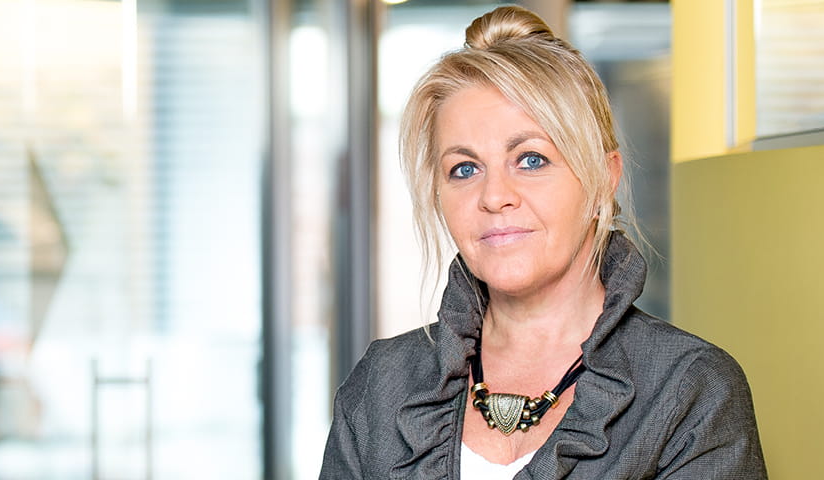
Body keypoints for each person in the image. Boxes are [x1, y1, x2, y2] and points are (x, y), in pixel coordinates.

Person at [319, 6, 766, 479]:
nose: (494, 196)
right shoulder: (380, 384)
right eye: (464, 169)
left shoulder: (691, 390)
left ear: (603, 179)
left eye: (531, 159)